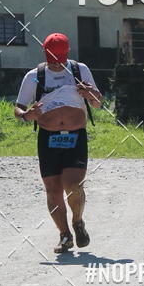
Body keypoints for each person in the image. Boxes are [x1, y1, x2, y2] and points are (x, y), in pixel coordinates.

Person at [14, 32, 102, 253]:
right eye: (52, 59)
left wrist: (90, 93)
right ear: (45, 53)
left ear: (67, 53)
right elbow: (18, 108)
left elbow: (98, 103)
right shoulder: (34, 76)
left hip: (75, 136)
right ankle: (64, 235)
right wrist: (27, 116)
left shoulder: (80, 70)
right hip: (48, 138)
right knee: (52, 191)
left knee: (73, 186)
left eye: (60, 59)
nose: (56, 64)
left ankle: (78, 221)